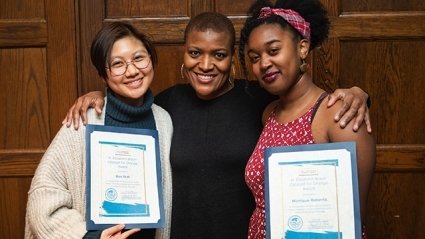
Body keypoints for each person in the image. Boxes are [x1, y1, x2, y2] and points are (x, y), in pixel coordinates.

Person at [63, 12, 371, 239]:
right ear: (184, 54)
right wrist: (99, 94)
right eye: (196, 53)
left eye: (219, 55)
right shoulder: (165, 105)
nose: (206, 65)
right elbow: (129, 106)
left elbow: (300, 98)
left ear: (233, 60)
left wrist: (360, 94)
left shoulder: (259, 100)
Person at [238, 0, 376, 238]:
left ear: (302, 48)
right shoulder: (269, 113)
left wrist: (360, 93)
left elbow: (352, 220)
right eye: (254, 57)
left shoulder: (338, 114)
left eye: (273, 51)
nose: (264, 63)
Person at [25, 22, 173, 239]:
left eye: (139, 58)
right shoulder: (83, 121)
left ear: (151, 59)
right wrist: (88, 237)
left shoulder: (164, 120)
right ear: (103, 75)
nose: (132, 71)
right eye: (117, 64)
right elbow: (43, 197)